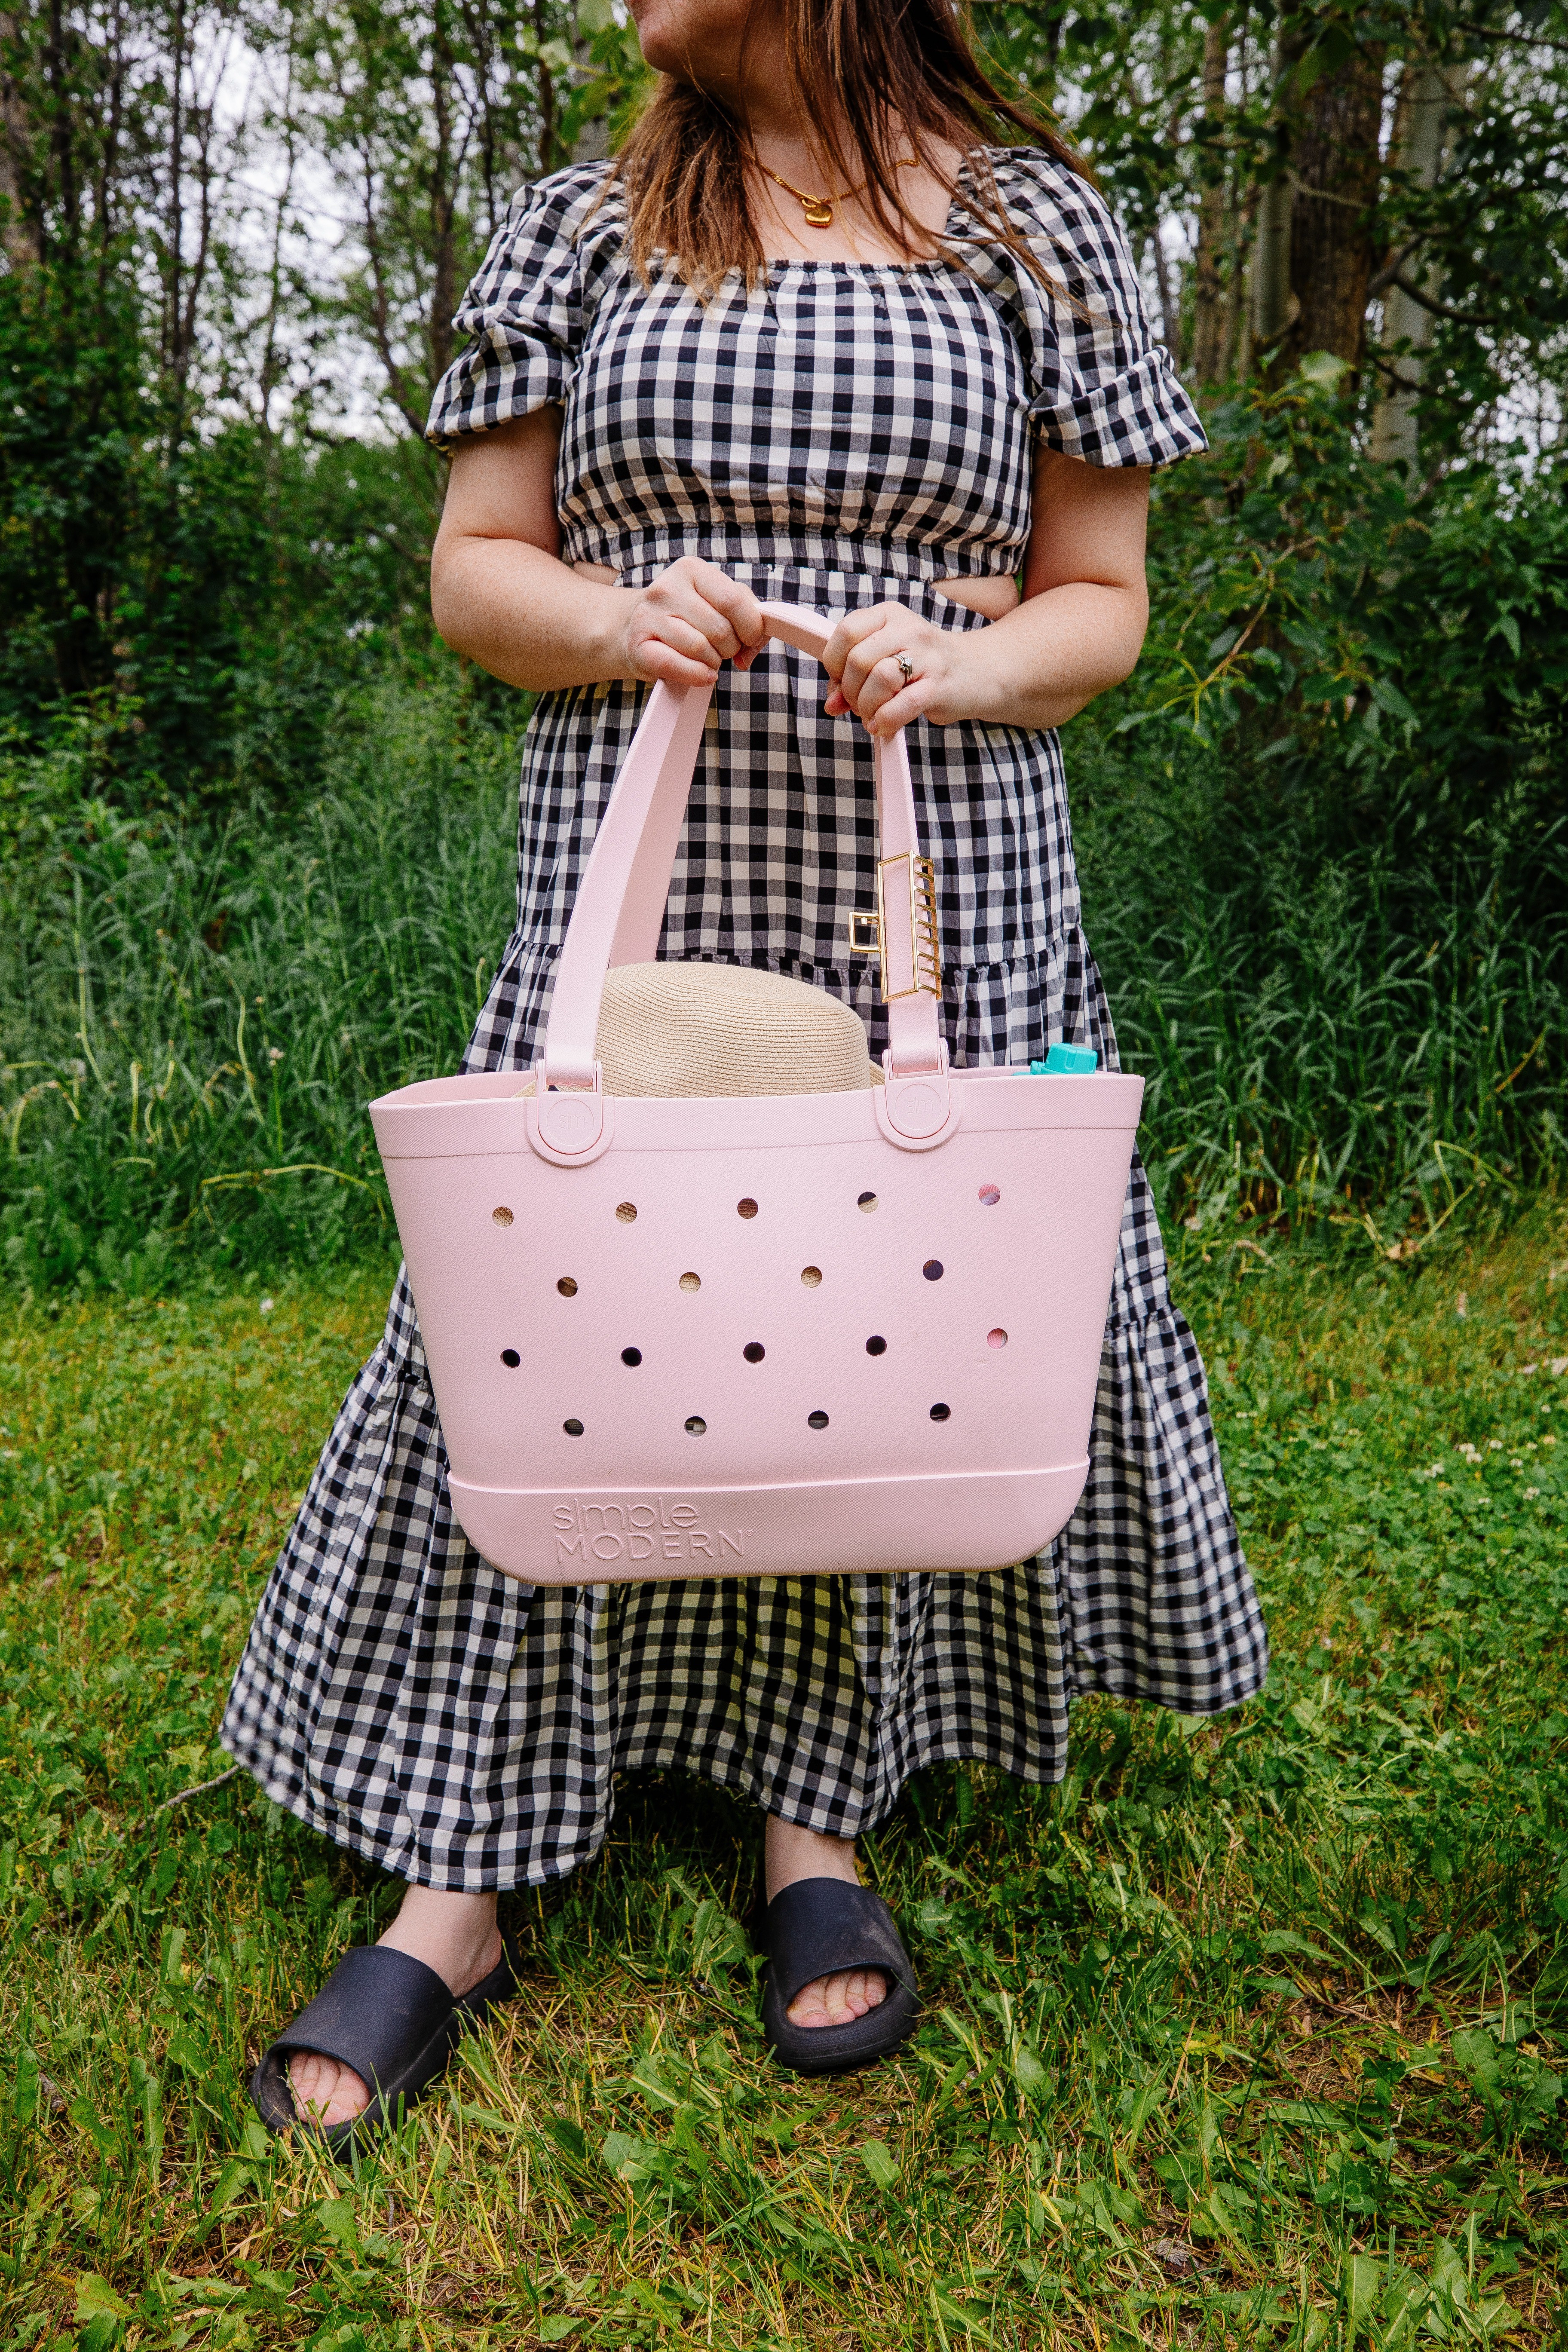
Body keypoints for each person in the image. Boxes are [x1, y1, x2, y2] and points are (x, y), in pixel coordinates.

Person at [226, 0, 1268, 2139]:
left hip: (934, 869)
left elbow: (1103, 601)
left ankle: (822, 1820)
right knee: (561, 1300)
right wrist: (620, 624)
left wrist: (965, 657)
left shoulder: (1043, 233)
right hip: (641, 854)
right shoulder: (581, 222)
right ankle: (471, 1867)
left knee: (876, 1314)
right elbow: (475, 575)